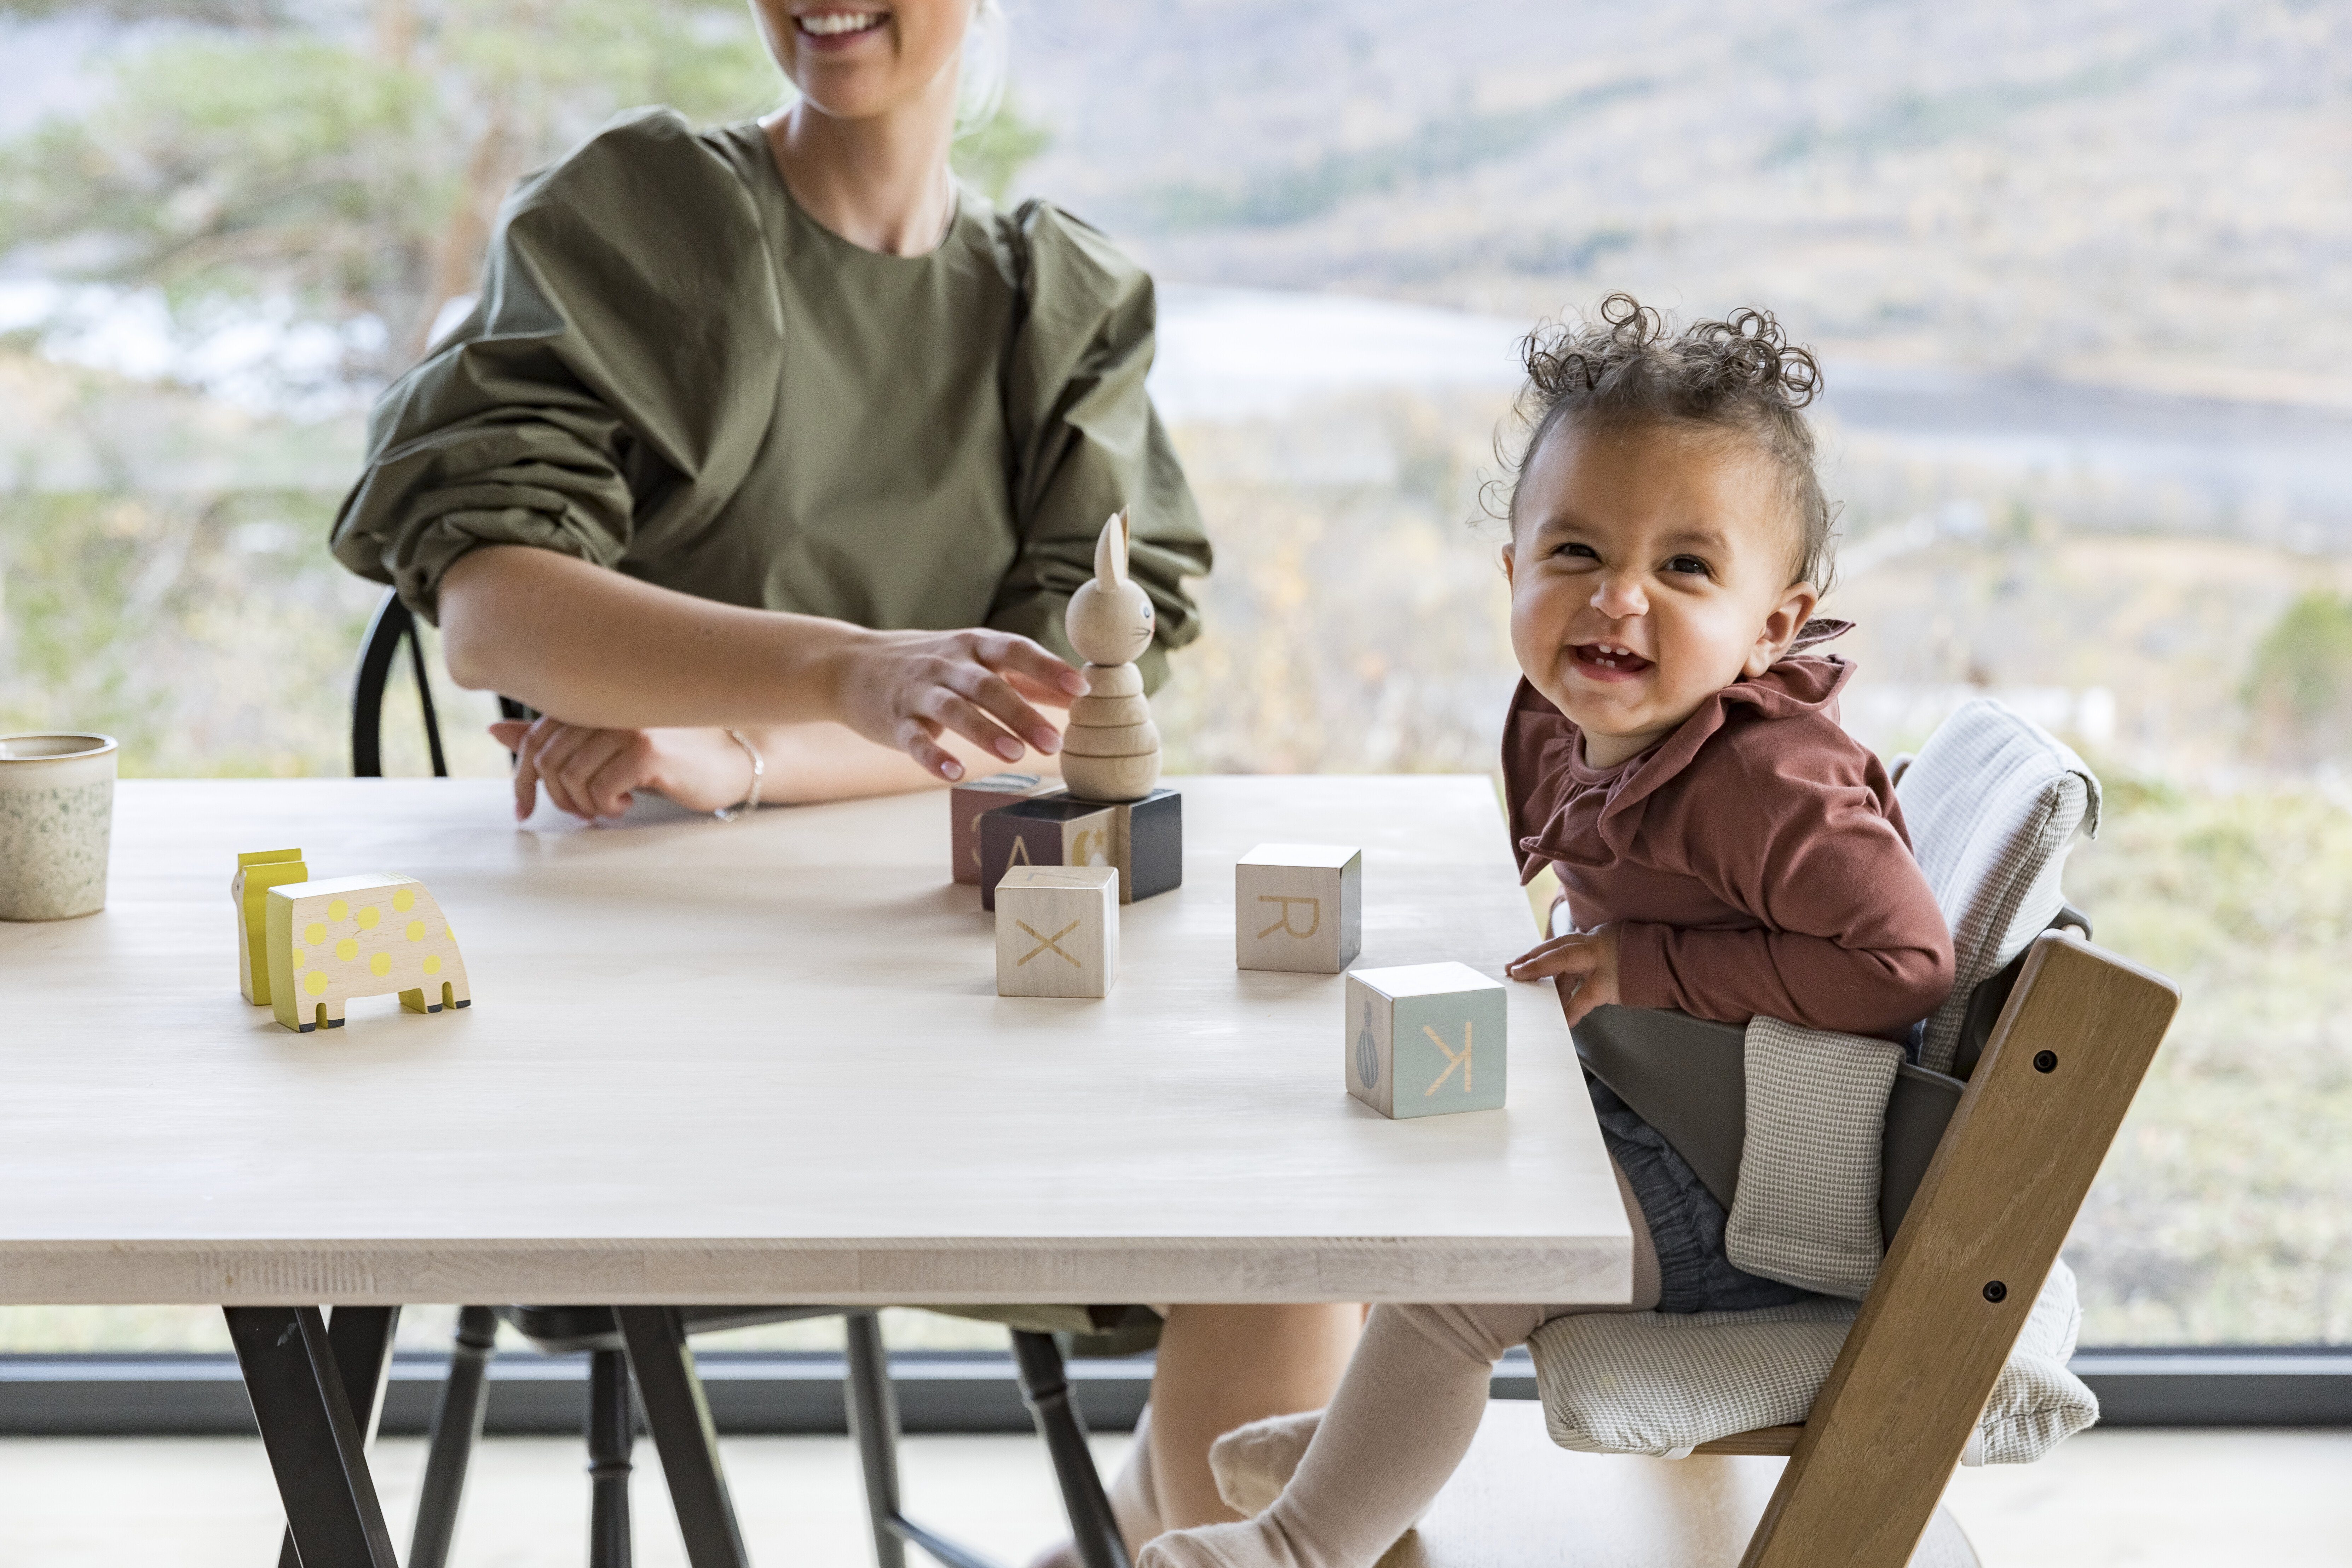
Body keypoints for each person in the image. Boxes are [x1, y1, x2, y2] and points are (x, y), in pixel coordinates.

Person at [328, 0, 1360, 1547]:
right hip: (631, 1038)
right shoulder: (660, 218)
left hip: (942, 1000)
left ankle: (1146, 1540)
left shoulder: (1053, 306)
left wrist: (733, 749)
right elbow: (486, 609)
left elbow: (1046, 715)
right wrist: (850, 674)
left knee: (1295, 1207)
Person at [1135, 296, 1957, 1568]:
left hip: (1762, 1192)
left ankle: (1305, 1540)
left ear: (1773, 627)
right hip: (1649, 1094)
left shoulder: (1771, 787)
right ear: (1511, 569)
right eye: (1574, 551)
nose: (1616, 597)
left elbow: (1908, 966)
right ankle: (1374, 1440)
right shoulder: (1553, 712)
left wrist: (1647, 964)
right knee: (1387, 1123)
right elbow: (1542, 866)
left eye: (1686, 568)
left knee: (1464, 1267)